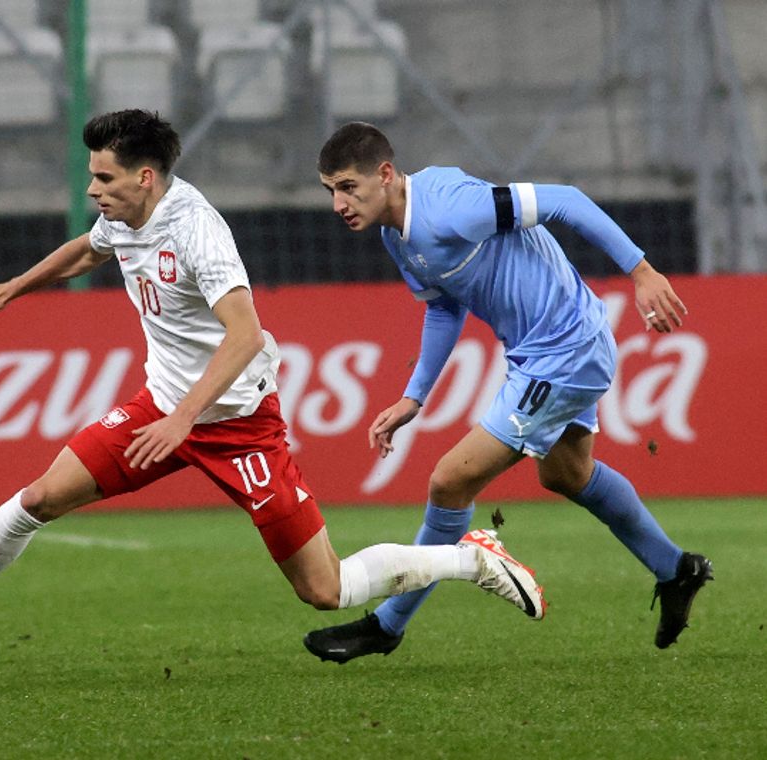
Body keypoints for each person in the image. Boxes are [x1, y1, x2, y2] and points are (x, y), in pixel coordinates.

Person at [0, 110, 545, 643]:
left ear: (144, 178)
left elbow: (246, 334)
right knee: (39, 498)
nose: (91, 190)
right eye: (91, 176)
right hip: (159, 410)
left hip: (239, 425)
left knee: (324, 590)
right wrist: (11, 288)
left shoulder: (195, 230)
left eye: (103, 179)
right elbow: (88, 250)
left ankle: (471, 557)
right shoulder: (124, 218)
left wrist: (185, 419)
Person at [304, 121, 713, 664]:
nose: (338, 203)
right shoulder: (394, 234)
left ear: (385, 175)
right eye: (330, 190)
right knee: (567, 473)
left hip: (566, 350)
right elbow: (444, 305)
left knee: (449, 482)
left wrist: (640, 271)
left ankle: (387, 624)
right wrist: (414, 397)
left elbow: (565, 200)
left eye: (348, 187)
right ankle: (676, 569)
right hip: (543, 349)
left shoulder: (451, 207)